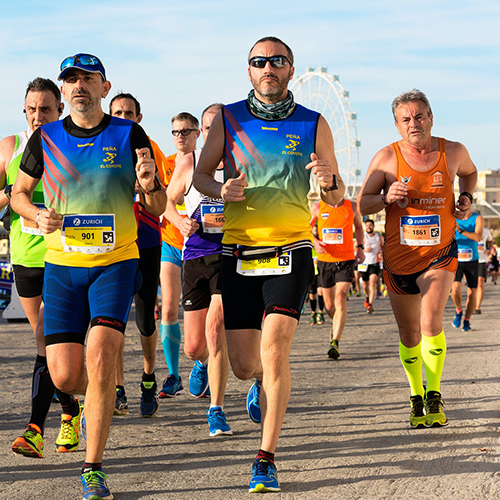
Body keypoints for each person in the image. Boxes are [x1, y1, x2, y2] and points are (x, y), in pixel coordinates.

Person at [10, 53, 166, 500]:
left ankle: (92, 466)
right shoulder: (45, 138)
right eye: (71, 79)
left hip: (116, 263)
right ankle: (88, 399)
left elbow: (155, 208)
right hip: (61, 267)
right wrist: (37, 213)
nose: (79, 85)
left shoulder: (129, 133)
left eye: (88, 79)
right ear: (63, 90)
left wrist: (150, 184)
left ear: (105, 86)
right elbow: (18, 194)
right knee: (64, 376)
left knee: (99, 359)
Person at [193, 36, 344, 492]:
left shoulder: (313, 123)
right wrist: (222, 191)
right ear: (249, 72)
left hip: (292, 250)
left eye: (277, 61)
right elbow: (201, 176)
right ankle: (256, 381)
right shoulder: (228, 119)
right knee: (243, 364)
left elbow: (336, 194)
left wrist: (329, 180)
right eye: (259, 62)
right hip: (238, 253)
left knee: (276, 349)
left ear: (290, 70)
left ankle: (266, 457)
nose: (268, 68)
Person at [0, 77, 81, 460]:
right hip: (26, 257)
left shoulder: (73, 144)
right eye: (32, 109)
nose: (39, 116)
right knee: (48, 345)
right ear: (25, 111)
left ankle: (35, 428)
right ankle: (70, 409)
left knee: (46, 342)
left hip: (65, 256)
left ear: (60, 110)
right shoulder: (11, 148)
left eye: (47, 109)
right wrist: (14, 192)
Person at [357, 88, 477, 429]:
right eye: (406, 119)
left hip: (439, 254)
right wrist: (385, 197)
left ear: (431, 118)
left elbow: (470, 173)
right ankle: (416, 394)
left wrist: (466, 196)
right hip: (397, 259)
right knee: (409, 334)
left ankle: (435, 392)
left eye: (420, 116)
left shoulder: (453, 151)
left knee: (429, 322)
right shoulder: (385, 158)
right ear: (397, 125)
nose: (414, 123)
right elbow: (362, 203)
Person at [165, 103, 232, 437]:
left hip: (229, 256)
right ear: (202, 133)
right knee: (194, 346)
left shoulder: (239, 165)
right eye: (208, 127)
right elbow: (166, 198)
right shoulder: (190, 164)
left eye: (220, 125)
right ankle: (202, 364)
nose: (213, 131)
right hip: (194, 257)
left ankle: (216, 409)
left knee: (216, 330)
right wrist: (179, 221)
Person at [109, 92, 171, 417]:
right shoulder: (101, 149)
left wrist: (147, 186)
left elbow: (162, 203)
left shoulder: (151, 149)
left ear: (138, 117)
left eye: (128, 112)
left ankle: (148, 376)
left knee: (145, 321)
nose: (122, 117)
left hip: (147, 241)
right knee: (113, 321)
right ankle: (117, 388)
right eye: (116, 112)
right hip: (115, 245)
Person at [157, 112, 200, 399]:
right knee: (170, 307)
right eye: (175, 132)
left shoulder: (206, 165)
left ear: (198, 134)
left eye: (186, 131)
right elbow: (161, 201)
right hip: (171, 244)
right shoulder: (166, 165)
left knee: (199, 312)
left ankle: (202, 362)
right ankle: (173, 374)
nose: (181, 137)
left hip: (200, 247)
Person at [312, 198, 364, 358]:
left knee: (340, 298)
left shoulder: (352, 206)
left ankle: (335, 341)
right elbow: (303, 228)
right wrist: (314, 241)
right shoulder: (317, 207)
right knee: (329, 306)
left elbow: (359, 228)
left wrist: (360, 248)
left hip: (346, 260)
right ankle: (336, 325)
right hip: (325, 261)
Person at [451, 211, 483, 331]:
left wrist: (460, 231)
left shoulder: (477, 218)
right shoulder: (452, 216)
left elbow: (478, 237)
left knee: (472, 293)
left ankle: (467, 320)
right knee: (455, 289)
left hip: (472, 259)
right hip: (455, 258)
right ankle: (458, 310)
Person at [360, 219, 384, 314]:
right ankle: (367, 297)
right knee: (365, 286)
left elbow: (383, 247)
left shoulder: (379, 237)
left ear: (373, 226)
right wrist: (365, 250)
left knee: (372, 284)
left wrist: (381, 253)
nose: (368, 227)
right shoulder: (363, 236)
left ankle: (370, 304)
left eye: (370, 225)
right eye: (367, 226)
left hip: (374, 263)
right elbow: (355, 247)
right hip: (364, 264)